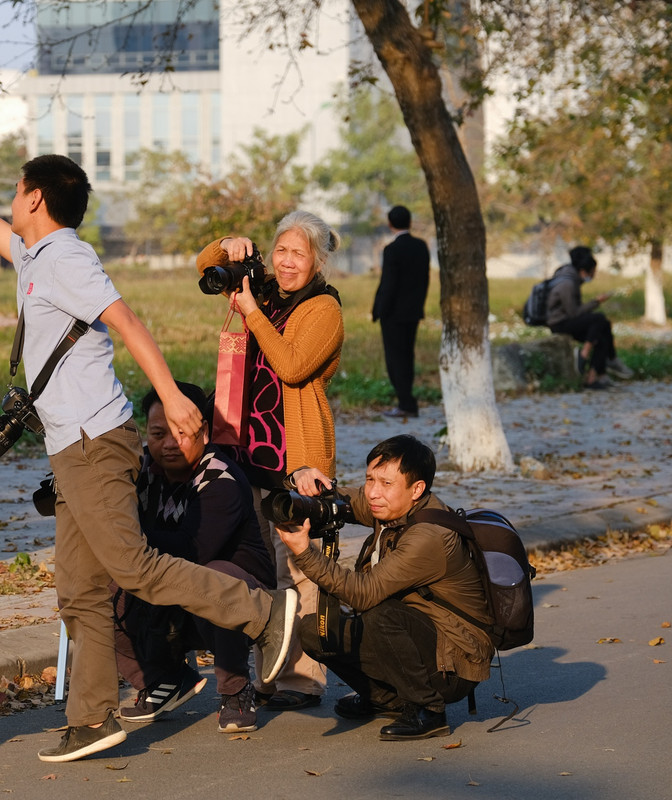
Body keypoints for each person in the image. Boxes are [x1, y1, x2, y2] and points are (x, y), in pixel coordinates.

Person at [0, 95, 297, 764]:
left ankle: (263, 613)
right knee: (78, 590)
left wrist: (172, 395)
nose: (8, 200)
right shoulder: (33, 254)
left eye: (17, 191)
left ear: (37, 199)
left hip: (96, 441)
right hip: (70, 446)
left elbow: (127, 320)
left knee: (133, 568)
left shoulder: (68, 258)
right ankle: (92, 719)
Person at [195, 211, 345, 711]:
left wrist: (252, 311)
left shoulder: (324, 308)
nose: (285, 262)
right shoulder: (263, 289)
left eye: (298, 254)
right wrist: (229, 245)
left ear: (318, 261)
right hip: (246, 450)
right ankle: (269, 674)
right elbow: (203, 265)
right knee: (260, 568)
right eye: (280, 250)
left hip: (295, 455)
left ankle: (302, 679)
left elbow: (293, 365)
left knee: (298, 570)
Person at [276, 435, 493, 741]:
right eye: (369, 479)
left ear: (416, 489)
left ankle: (429, 710)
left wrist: (304, 552)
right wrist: (299, 479)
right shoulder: (389, 505)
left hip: (453, 663)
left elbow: (364, 593)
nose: (373, 493)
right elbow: (338, 504)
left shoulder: (429, 535)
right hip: (417, 637)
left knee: (379, 611)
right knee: (316, 631)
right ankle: (386, 700)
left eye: (386, 483)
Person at [114, 383, 274, 734]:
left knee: (214, 578)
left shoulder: (221, 477)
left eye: (181, 433)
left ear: (203, 431)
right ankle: (161, 679)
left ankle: (236, 690)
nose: (169, 443)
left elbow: (192, 550)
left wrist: (129, 541)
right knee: (103, 582)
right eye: (158, 433)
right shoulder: (141, 470)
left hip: (242, 591)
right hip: (168, 580)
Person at [546, 245, 633, 389]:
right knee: (599, 319)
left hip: (566, 320)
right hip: (559, 323)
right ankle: (587, 354)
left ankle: (594, 378)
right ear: (584, 270)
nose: (594, 274)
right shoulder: (567, 283)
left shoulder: (570, 277)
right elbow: (573, 313)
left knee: (602, 332)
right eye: (593, 271)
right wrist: (596, 302)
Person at [372, 205, 430, 418]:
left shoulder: (392, 250)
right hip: (413, 312)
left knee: (395, 359)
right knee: (407, 357)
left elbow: (388, 284)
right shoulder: (421, 246)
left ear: (390, 224)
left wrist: (379, 310)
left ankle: (405, 403)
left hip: (393, 315)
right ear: (410, 222)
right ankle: (408, 401)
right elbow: (424, 280)